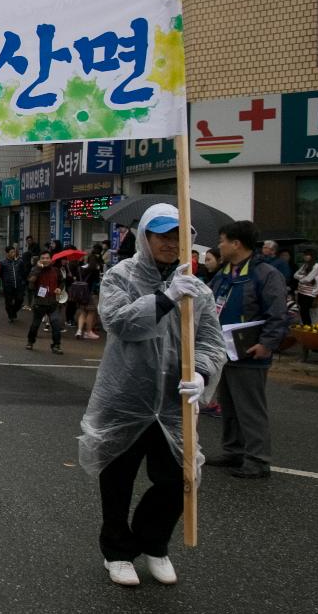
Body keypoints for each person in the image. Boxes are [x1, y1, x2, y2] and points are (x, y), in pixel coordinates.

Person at [78, 203, 226, 587]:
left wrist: (202, 371)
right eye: (161, 234)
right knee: (117, 479)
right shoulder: (120, 276)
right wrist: (164, 298)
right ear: (144, 237)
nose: (170, 242)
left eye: (178, 235)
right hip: (126, 397)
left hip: (173, 403)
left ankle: (153, 542)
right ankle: (116, 551)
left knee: (180, 477)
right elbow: (119, 322)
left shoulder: (197, 288)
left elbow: (212, 341)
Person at [209, 220, 289, 479]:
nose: (219, 245)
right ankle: (233, 450)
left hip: (250, 353)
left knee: (250, 408)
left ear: (236, 243)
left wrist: (267, 344)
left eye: (222, 240)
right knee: (229, 405)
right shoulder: (223, 274)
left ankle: (258, 459)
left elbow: (278, 313)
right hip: (225, 351)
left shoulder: (265, 274)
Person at [26, 252, 66, 355]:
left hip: (53, 302)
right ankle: (30, 341)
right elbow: (31, 282)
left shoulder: (56, 270)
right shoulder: (36, 269)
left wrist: (59, 288)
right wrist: (38, 268)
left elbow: (62, 282)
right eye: (43, 258)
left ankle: (56, 345)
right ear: (40, 260)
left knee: (56, 324)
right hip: (40, 302)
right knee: (35, 325)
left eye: (47, 258)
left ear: (51, 259)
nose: (45, 260)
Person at [73, 251, 105, 340]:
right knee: (91, 312)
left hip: (80, 293)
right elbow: (97, 282)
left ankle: (79, 331)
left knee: (83, 312)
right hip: (89, 293)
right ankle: (88, 331)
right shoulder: (95, 269)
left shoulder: (80, 268)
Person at [293, 248, 318, 327]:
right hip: (301, 291)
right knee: (302, 311)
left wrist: (301, 278)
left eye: (307, 255)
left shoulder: (316, 266)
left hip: (310, 293)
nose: (305, 256)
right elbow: (295, 275)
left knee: (305, 311)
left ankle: (308, 327)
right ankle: (305, 327)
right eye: (304, 255)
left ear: (312, 256)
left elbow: (308, 279)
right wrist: (303, 277)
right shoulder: (305, 265)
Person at [0, 245, 28, 323]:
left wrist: (23, 281)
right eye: (11, 252)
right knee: (8, 302)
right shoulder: (3, 263)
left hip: (19, 285)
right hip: (8, 286)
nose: (13, 253)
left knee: (20, 299)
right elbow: (1, 274)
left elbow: (23, 272)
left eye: (14, 252)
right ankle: (11, 316)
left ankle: (14, 311)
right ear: (7, 253)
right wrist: (5, 281)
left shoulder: (19, 261)